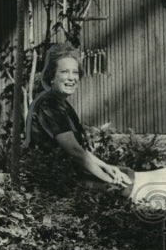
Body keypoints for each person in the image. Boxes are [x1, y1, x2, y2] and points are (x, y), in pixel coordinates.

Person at [25, 44, 133, 190]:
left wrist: (107, 167)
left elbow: (80, 150)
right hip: (52, 180)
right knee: (125, 188)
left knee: (126, 173)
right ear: (52, 77)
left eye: (75, 73)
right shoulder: (48, 106)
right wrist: (109, 180)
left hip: (68, 173)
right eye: (64, 72)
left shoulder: (63, 105)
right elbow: (74, 151)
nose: (71, 78)